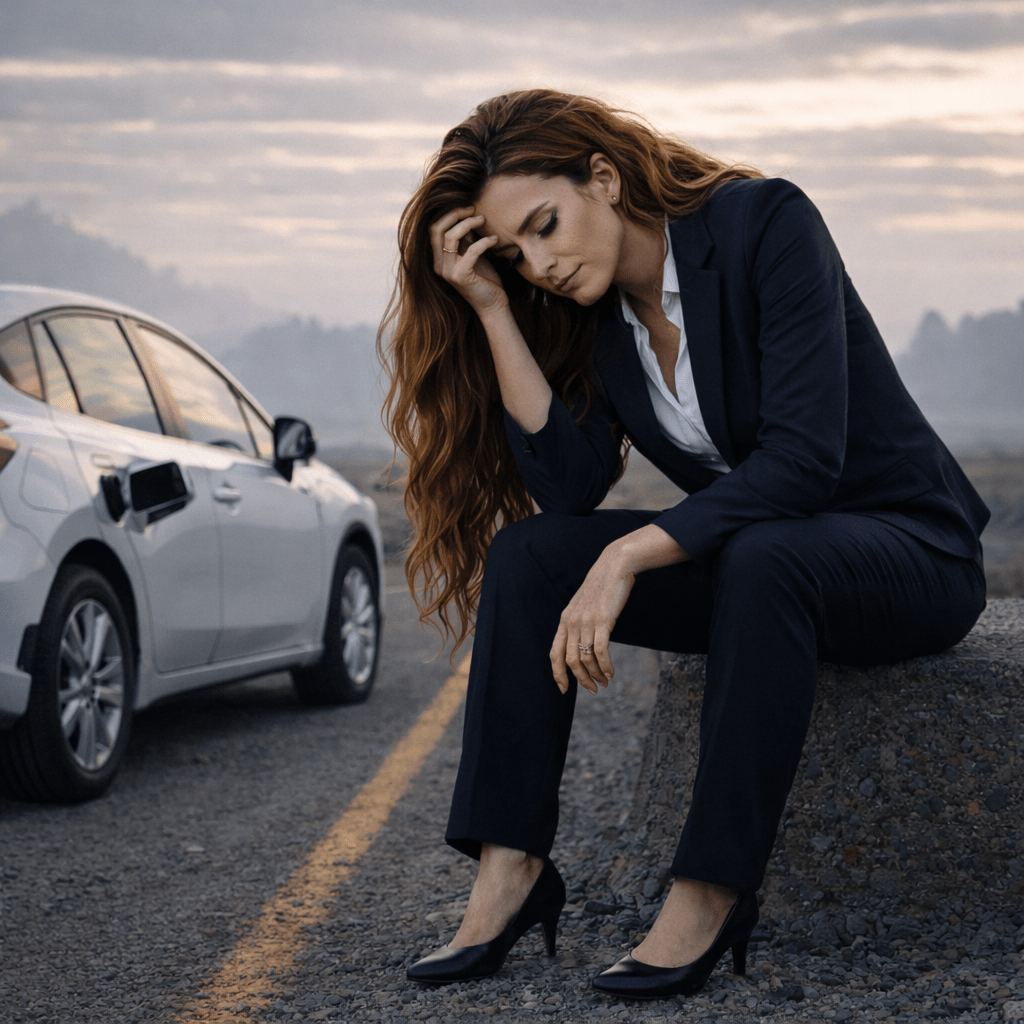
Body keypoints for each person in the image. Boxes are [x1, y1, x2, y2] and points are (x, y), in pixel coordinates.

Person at [378, 89, 988, 1000]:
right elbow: (571, 486)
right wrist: (492, 309)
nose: (539, 263)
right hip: (766, 570)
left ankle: (710, 889)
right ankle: (511, 870)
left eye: (545, 226)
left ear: (604, 175)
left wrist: (625, 559)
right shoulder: (591, 318)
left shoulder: (764, 223)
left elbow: (804, 463)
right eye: (515, 253)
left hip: (908, 553)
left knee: (760, 553)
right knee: (532, 555)